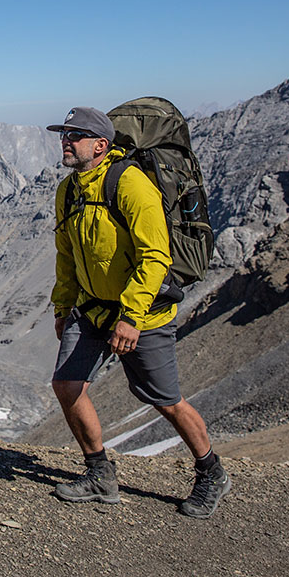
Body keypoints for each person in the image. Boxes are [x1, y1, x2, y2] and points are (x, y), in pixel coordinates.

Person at [47, 106, 230, 518]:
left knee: (164, 400)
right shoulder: (69, 190)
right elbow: (66, 255)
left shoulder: (130, 183)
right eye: (64, 134)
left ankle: (211, 471)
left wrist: (130, 317)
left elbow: (155, 256)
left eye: (74, 135)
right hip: (91, 309)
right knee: (67, 385)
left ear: (100, 144)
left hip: (141, 315)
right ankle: (100, 474)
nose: (65, 141)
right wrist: (63, 305)